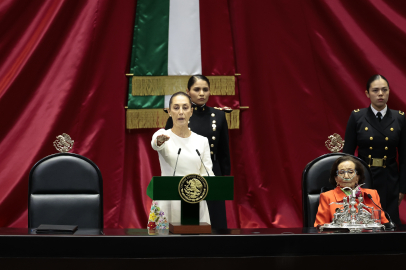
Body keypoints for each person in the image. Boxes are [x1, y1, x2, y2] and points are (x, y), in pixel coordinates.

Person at [165, 75, 230, 229]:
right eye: (197, 89)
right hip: (185, 171)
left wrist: (224, 174)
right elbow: (168, 146)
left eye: (205, 90)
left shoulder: (218, 115)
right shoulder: (180, 115)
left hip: (212, 170)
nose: (201, 93)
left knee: (215, 219)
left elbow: (223, 149)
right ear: (188, 92)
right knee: (188, 219)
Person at [342, 74, 406, 224]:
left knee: (388, 223)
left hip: (389, 179)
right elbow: (347, 156)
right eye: (375, 90)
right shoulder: (357, 117)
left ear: (389, 91)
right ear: (367, 93)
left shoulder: (400, 118)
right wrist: (348, 184)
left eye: (384, 90)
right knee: (363, 223)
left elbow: (404, 158)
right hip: (363, 179)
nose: (380, 94)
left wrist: (402, 188)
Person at [151, 92, 214, 224]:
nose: (181, 112)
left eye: (185, 108)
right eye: (176, 107)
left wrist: (213, 185)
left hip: (195, 200)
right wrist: (159, 141)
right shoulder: (163, 135)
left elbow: (207, 173)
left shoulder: (201, 141)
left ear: (191, 111)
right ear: (169, 111)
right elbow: (156, 144)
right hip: (167, 200)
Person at [314, 156, 389, 227]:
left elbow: (383, 224)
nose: (346, 176)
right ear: (336, 178)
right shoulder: (327, 197)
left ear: (358, 177)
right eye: (341, 172)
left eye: (350, 172)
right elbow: (320, 227)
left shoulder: (371, 194)